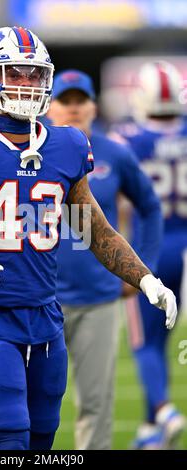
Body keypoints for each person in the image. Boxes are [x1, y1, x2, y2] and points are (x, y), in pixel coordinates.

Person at [0, 27, 177, 451]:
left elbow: (96, 229)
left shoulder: (68, 144)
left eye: (35, 75)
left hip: (46, 316)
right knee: (9, 436)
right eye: (15, 74)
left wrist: (146, 278)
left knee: (41, 440)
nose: (27, 85)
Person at [48, 69, 163, 450]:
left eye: (82, 100)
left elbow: (149, 206)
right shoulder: (27, 151)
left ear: (94, 106)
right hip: (39, 298)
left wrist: (140, 270)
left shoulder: (113, 153)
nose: (74, 108)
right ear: (49, 106)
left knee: (96, 404)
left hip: (98, 296)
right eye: (66, 100)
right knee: (33, 406)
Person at [112, 61, 186, 449]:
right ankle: (150, 428)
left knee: (145, 341)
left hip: (151, 250)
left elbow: (116, 200)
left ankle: (164, 409)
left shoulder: (128, 138)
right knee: (165, 339)